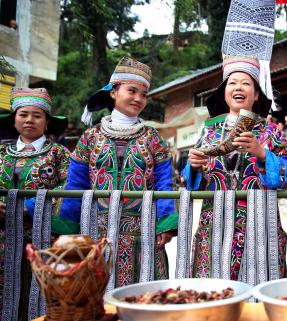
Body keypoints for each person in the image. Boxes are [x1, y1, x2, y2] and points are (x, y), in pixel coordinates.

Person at [60, 57, 176, 286]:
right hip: (97, 231)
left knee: (145, 295)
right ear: (113, 92)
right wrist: (67, 227)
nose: (138, 98)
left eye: (143, 94)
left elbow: (164, 185)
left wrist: (166, 225)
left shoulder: (153, 138)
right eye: (132, 90)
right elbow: (75, 186)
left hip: (144, 232)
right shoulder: (90, 138)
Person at [184, 56, 287, 280]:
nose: (238, 87)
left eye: (246, 83)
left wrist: (263, 154)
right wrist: (194, 167)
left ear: (256, 95)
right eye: (232, 82)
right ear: (225, 93)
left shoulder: (270, 132)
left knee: (258, 289)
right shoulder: (209, 133)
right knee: (215, 294)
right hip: (213, 226)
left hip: (260, 225)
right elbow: (193, 182)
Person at [0, 88, 70, 320]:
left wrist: (28, 207)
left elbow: (69, 189)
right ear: (14, 119)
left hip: (42, 238)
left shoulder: (59, 154)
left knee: (38, 295)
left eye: (37, 115)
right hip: (2, 237)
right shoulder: (0, 152)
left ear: (47, 123)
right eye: (24, 114)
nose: (30, 120)